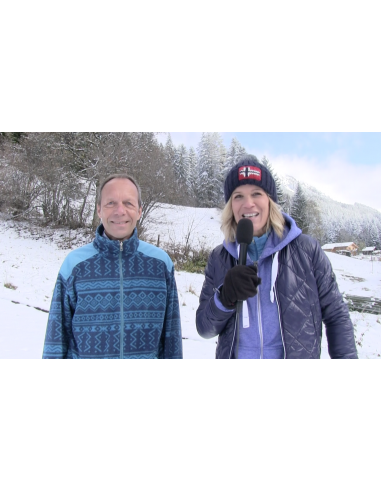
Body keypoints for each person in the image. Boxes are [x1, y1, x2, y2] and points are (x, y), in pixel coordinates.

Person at [196, 155, 358, 359]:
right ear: (230, 206)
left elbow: (336, 316)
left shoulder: (307, 251)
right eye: (238, 196)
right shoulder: (219, 258)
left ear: (270, 201)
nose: (248, 204)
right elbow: (204, 328)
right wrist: (224, 297)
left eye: (257, 193)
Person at [43, 174, 182, 359]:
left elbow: (171, 339)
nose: (120, 211)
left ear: (139, 210)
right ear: (99, 209)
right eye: (110, 203)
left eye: (128, 203)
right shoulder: (74, 265)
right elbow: (56, 338)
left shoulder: (160, 265)